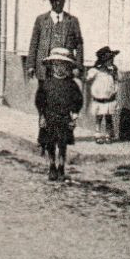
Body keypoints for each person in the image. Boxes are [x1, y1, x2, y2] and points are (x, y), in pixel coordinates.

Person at [36, 47, 84, 180]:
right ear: (51, 66)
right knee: (50, 143)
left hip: (64, 117)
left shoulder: (71, 85)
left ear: (68, 67)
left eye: (62, 65)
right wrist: (42, 116)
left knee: (62, 144)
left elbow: (77, 100)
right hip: (49, 117)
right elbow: (40, 101)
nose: (59, 68)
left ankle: (61, 167)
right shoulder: (46, 84)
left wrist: (74, 115)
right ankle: (52, 166)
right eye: (56, 65)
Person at [25, 0, 84, 82]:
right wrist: (31, 65)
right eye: (54, 0)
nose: (57, 3)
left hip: (66, 69)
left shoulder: (72, 21)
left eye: (60, 0)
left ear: (64, 1)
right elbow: (34, 43)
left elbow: (79, 45)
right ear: (50, 2)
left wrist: (78, 66)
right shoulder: (41, 20)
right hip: (44, 69)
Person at [86, 46, 122, 143]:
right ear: (103, 61)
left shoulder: (113, 70)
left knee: (109, 117)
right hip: (99, 98)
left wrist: (115, 74)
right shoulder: (96, 70)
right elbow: (88, 77)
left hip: (109, 98)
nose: (110, 61)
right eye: (108, 59)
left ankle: (108, 134)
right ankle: (98, 134)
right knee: (99, 117)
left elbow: (119, 79)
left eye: (112, 59)